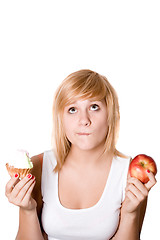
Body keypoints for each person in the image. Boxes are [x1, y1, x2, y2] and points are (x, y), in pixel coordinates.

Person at [5, 69, 157, 240]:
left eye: (94, 107)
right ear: (61, 118)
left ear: (110, 114)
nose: (84, 120)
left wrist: (130, 214)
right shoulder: (39, 166)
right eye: (72, 109)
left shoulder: (131, 174)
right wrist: (27, 210)